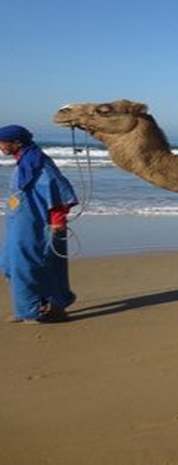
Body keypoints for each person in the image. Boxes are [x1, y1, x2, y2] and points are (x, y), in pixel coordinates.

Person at [1, 125, 78, 324]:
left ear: (16, 143)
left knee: (31, 265)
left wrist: (57, 221)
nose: (0, 146)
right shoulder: (24, 163)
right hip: (20, 223)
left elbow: (59, 190)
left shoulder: (40, 164)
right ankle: (31, 307)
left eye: (2, 142)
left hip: (39, 225)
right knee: (9, 262)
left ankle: (39, 310)